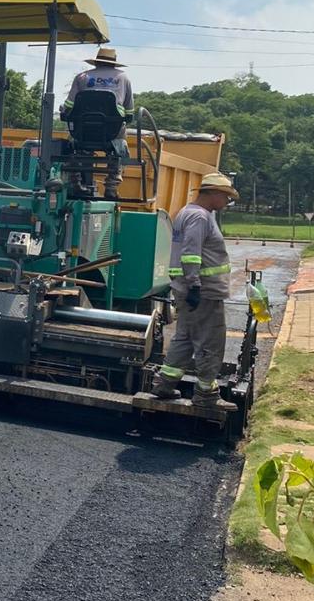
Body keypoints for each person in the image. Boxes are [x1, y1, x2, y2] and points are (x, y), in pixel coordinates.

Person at [149, 173, 239, 411]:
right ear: (213, 193)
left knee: (185, 337)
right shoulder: (200, 217)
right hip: (204, 292)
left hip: (188, 289)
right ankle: (206, 395)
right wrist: (195, 285)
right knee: (211, 341)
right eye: (226, 196)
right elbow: (191, 253)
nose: (227, 202)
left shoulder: (187, 212)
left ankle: (164, 384)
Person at [60, 46, 134, 200]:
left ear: (96, 62)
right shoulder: (123, 78)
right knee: (120, 146)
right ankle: (111, 187)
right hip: (112, 131)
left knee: (74, 145)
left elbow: (69, 105)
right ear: (114, 63)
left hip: (83, 131)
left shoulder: (82, 77)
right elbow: (129, 111)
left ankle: (76, 183)